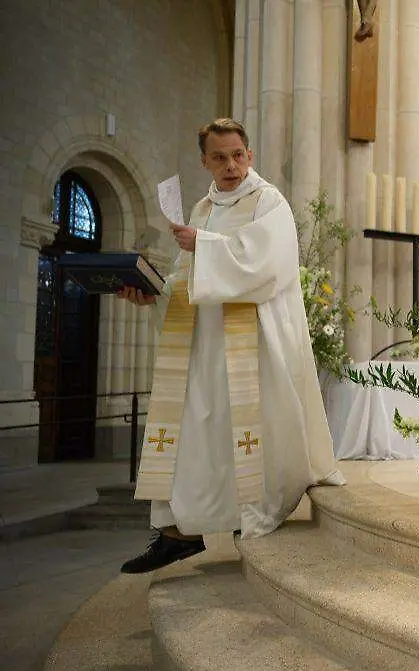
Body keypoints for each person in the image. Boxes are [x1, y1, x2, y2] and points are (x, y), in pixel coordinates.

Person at [118, 118, 345, 574]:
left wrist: (205, 245)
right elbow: (188, 278)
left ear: (250, 154)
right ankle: (180, 533)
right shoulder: (201, 209)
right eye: (219, 157)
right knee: (198, 435)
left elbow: (268, 264)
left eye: (238, 155)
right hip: (204, 347)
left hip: (251, 347)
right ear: (204, 161)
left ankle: (246, 512)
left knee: (245, 433)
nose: (231, 166)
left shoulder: (268, 202)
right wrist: (154, 294)